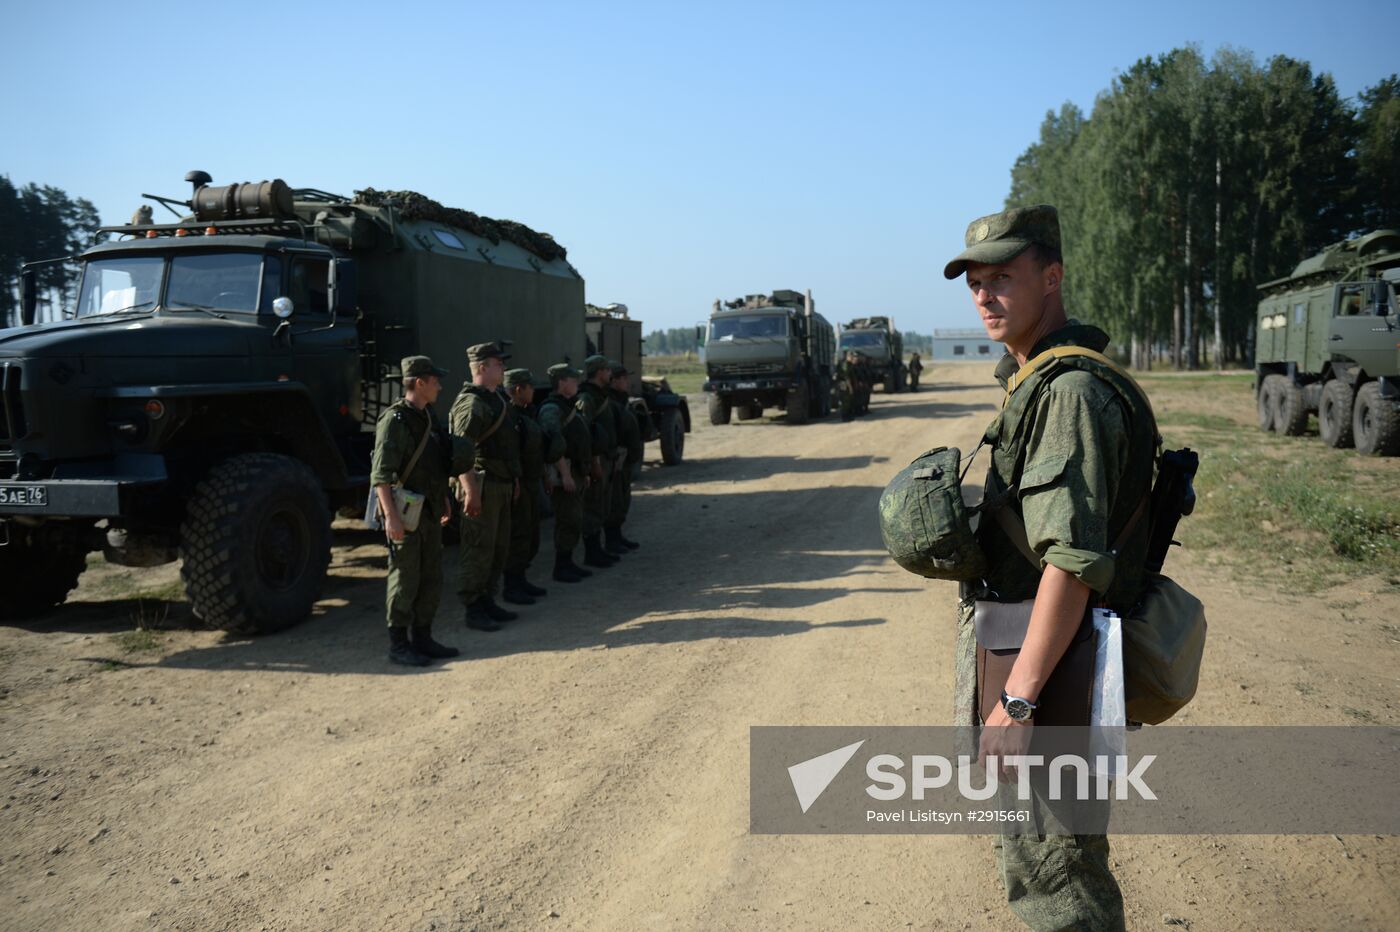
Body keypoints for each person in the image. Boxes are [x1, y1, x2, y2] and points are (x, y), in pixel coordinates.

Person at [942, 205, 1158, 932]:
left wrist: (1021, 700)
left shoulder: (1068, 394)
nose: (984, 295)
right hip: (1033, 651)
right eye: (975, 282)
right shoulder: (1039, 379)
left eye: (1003, 276)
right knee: (1044, 865)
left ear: (1053, 276)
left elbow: (1072, 561)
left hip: (1049, 668)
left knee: (1058, 886)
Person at [370, 356, 467, 666]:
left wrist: (445, 499)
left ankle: (423, 637)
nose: (439, 385)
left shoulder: (427, 417)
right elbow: (381, 475)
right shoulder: (395, 421)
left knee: (431, 576)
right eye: (434, 380)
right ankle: (399, 645)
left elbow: (435, 464)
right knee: (405, 577)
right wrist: (391, 517)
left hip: (429, 509)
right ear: (419, 383)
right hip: (406, 513)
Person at [450, 341, 521, 632]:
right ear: (482, 367)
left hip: (501, 484)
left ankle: (488, 599)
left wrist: (513, 479)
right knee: (478, 548)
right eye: (498, 363)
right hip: (482, 485)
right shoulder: (472, 404)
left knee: (498, 548)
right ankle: (473, 607)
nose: (503, 368)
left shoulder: (496, 400)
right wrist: (470, 490)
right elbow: (460, 452)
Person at [502, 368, 560, 605]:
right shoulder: (509, 418)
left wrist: (545, 474)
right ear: (518, 390)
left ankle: (521, 579)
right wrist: (516, 480)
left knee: (531, 535)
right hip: (519, 483)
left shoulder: (527, 414)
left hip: (532, 480)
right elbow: (510, 453)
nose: (534, 391)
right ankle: (511, 585)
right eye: (530, 387)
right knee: (519, 534)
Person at [538, 363, 592, 582]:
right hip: (564, 472)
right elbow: (552, 443)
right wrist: (565, 474)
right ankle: (561, 567)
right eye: (573, 379)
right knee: (567, 518)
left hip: (575, 470)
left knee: (575, 518)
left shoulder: (568, 406)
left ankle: (568, 562)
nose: (577, 383)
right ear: (561, 382)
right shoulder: (552, 409)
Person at [575, 354, 618, 569]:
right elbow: (585, 432)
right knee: (592, 505)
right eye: (608, 370)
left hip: (605, 456)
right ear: (600, 372)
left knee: (602, 504)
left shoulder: (600, 395)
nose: (610, 374)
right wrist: (593, 463)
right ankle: (591, 552)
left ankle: (599, 549)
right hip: (596, 459)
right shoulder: (586, 398)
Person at [605, 365, 643, 553]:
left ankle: (617, 536)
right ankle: (611, 540)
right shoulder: (609, 402)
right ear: (613, 380)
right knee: (614, 499)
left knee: (622, 499)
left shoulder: (620, 400)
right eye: (623, 378)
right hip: (616, 458)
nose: (627, 382)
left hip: (625, 457)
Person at [836, 350, 859, 422]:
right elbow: (846, 377)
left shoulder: (849, 364)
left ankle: (848, 416)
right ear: (847, 356)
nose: (852, 358)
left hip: (847, 384)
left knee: (848, 401)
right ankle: (844, 416)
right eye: (851, 356)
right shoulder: (845, 364)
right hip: (844, 384)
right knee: (845, 401)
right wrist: (850, 387)